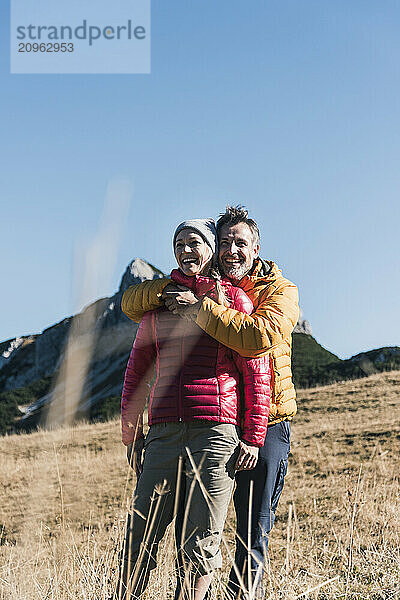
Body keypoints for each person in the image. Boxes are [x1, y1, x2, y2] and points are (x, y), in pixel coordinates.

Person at [121, 206, 299, 599]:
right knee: (179, 530)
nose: (232, 250)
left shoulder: (270, 293)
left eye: (240, 243)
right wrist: (166, 291)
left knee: (249, 528)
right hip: (187, 427)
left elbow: (256, 347)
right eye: (225, 243)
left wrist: (200, 306)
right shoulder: (172, 298)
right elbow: (132, 322)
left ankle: (242, 595)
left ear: (256, 247)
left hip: (259, 425)